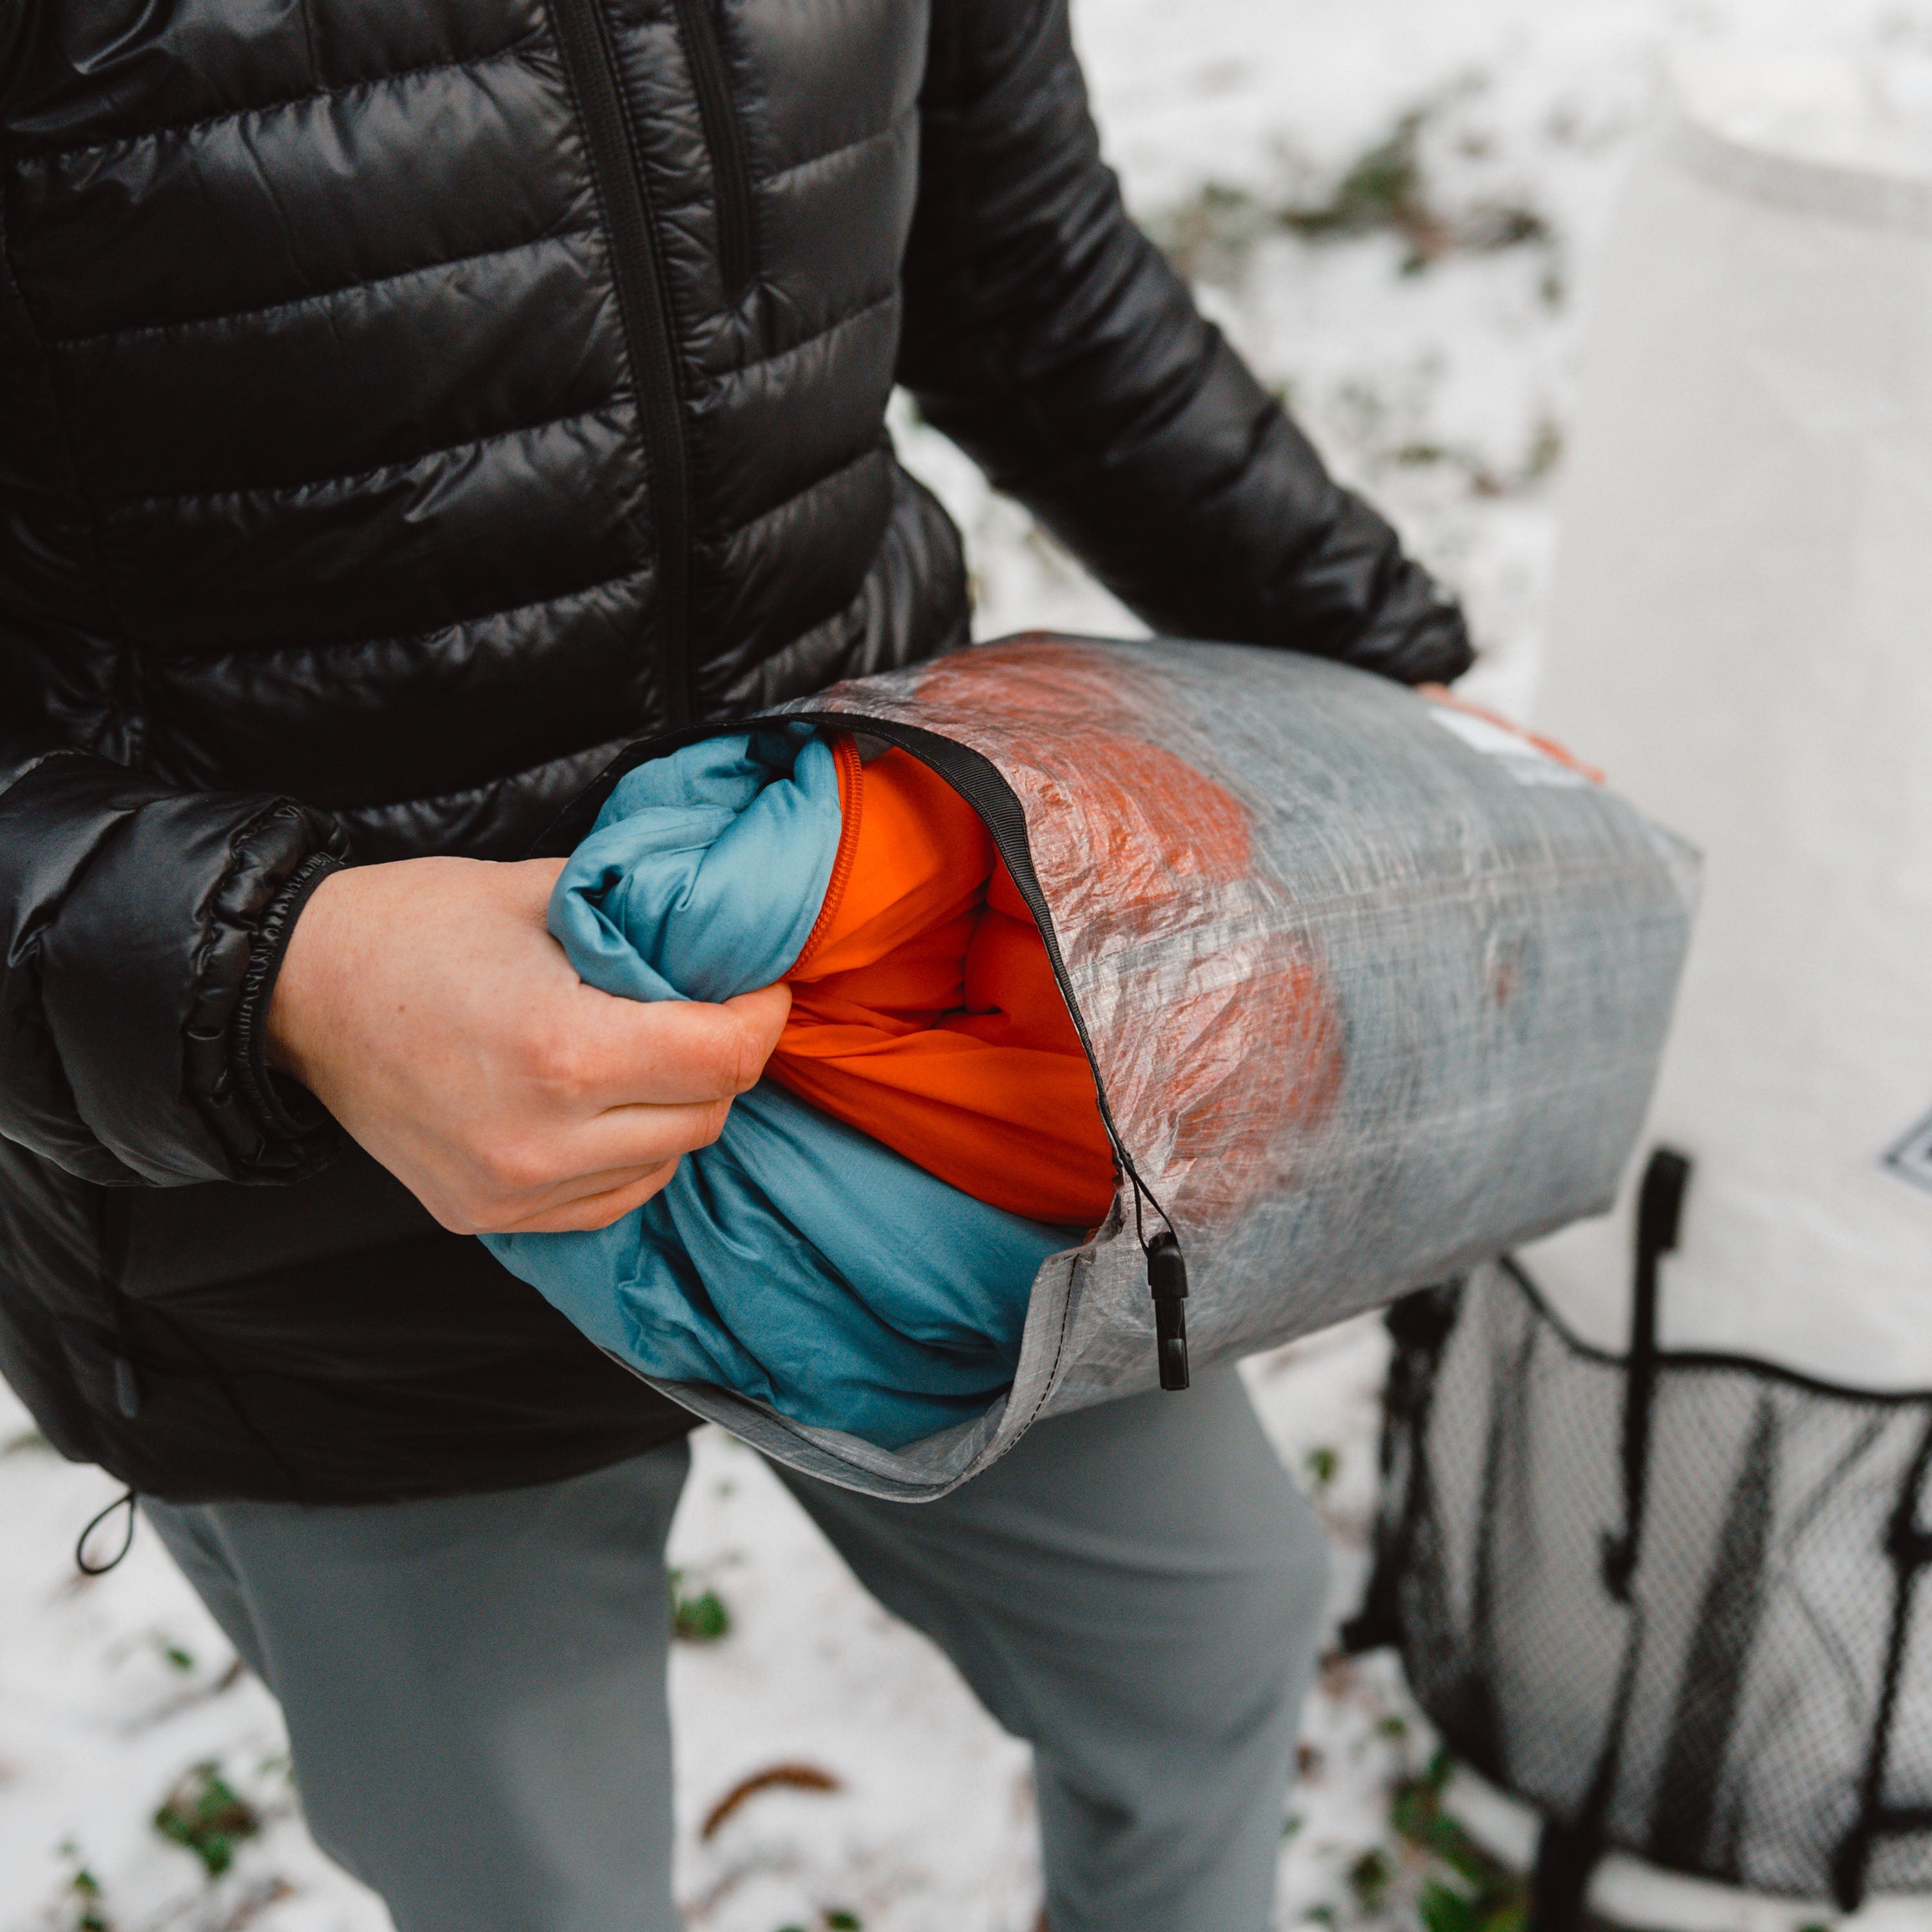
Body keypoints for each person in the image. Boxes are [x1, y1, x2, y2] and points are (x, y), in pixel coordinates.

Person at [0, 3, 1470, 1926]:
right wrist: (281, 972)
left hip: (902, 1033)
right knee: (541, 1891)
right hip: (305, 1245)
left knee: (1205, 1644)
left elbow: (1020, 267)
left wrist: (1393, 670)